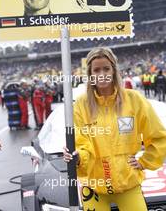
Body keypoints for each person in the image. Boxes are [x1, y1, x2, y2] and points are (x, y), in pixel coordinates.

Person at [63, 47, 166, 211]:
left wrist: (144, 161)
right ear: (90, 74)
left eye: (106, 68)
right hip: (94, 187)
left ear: (114, 71)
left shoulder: (134, 99)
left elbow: (158, 136)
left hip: (128, 184)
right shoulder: (81, 105)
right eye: (96, 70)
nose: (102, 73)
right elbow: (82, 144)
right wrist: (78, 158)